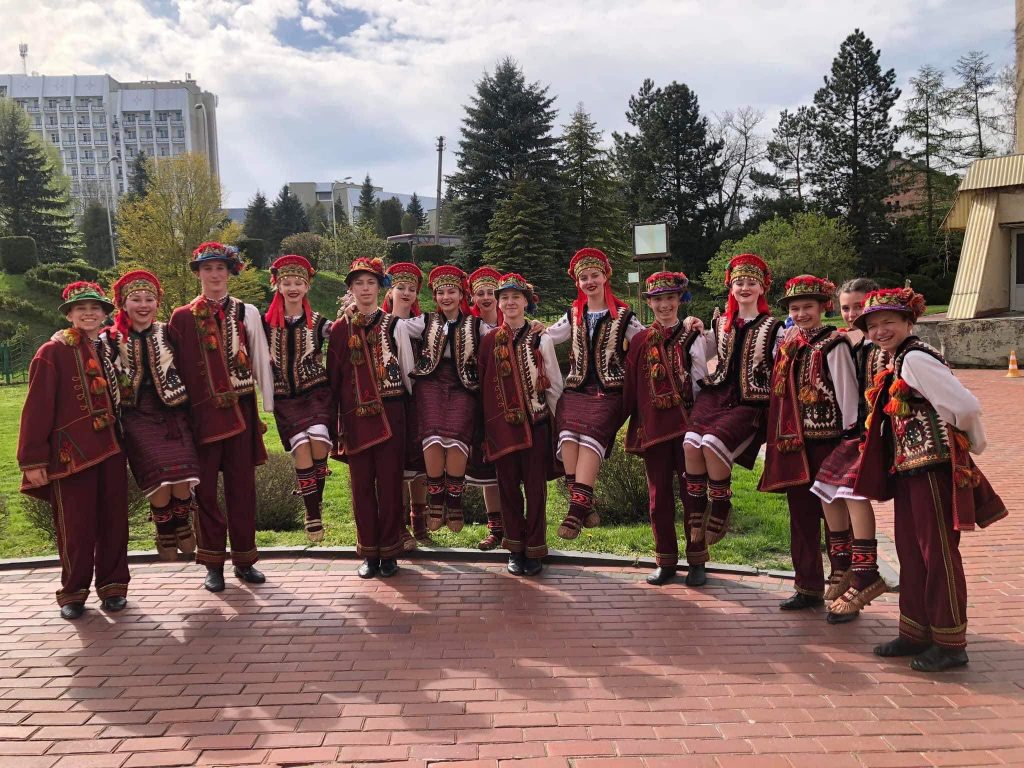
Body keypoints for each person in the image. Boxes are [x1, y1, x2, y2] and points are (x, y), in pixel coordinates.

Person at [853, 287, 1007, 672]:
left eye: (889, 322)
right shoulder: (897, 357)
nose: (880, 331)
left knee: (937, 554)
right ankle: (915, 632)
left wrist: (972, 443)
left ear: (909, 322)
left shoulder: (916, 358)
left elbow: (965, 405)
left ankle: (950, 643)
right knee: (911, 551)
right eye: (872, 326)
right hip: (910, 469)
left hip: (932, 469)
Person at [18, 282, 129, 619]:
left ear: (105, 315)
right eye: (81, 308)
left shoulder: (112, 348)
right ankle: (73, 593)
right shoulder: (52, 351)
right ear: (69, 314)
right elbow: (37, 407)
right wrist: (33, 459)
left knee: (114, 523)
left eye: (96, 308)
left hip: (112, 448)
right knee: (75, 527)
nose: (89, 313)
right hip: (72, 453)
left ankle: (113, 588)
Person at [167, 242, 274, 593]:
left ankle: (245, 560)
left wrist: (267, 404)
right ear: (198, 273)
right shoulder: (182, 317)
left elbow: (260, 357)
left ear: (230, 273)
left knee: (242, 489)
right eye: (207, 268)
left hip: (241, 410)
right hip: (202, 416)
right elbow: (175, 367)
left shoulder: (247, 312)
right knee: (206, 492)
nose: (214, 275)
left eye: (220, 268)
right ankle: (212, 563)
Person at [759, 275, 860, 611]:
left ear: (822, 307)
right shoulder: (790, 344)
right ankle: (808, 586)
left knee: (837, 517)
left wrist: (849, 437)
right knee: (801, 515)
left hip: (829, 442)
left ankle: (844, 586)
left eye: (807, 307)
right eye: (795, 308)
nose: (801, 314)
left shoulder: (834, 344)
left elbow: (847, 393)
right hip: (795, 444)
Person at [683, 254, 782, 557]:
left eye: (751, 283)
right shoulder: (721, 323)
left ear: (762, 288)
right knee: (690, 442)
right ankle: (697, 507)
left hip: (750, 399)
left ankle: (722, 503)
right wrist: (693, 326)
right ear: (731, 287)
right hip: (716, 393)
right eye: (739, 283)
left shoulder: (774, 327)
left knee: (712, 443)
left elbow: (782, 367)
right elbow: (703, 349)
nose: (745, 288)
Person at [544, 248, 644, 540]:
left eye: (594, 276)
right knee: (567, 436)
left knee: (589, 437)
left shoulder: (623, 316)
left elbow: (647, 339)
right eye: (584, 277)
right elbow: (549, 335)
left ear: (605, 277)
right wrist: (531, 328)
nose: (589, 281)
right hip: (576, 389)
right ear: (577, 282)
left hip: (609, 391)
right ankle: (585, 504)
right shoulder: (574, 314)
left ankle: (575, 511)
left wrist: (685, 327)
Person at [102, 270, 199, 561]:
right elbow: (83, 346)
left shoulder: (169, 332)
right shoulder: (110, 338)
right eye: (136, 299)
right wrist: (60, 334)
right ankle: (164, 527)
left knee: (183, 473)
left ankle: (182, 521)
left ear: (158, 303)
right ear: (123, 303)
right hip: (136, 414)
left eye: (149, 299)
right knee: (158, 475)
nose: (143, 305)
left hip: (174, 410)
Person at [328, 257, 416, 578]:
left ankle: (390, 550)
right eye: (358, 283)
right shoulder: (340, 329)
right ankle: (368, 552)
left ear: (380, 288)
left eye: (370, 283)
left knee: (390, 483)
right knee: (361, 485)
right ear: (351, 289)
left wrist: (411, 418)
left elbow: (408, 374)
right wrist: (334, 425)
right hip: (355, 417)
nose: (365, 289)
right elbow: (334, 379)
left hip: (392, 413)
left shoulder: (395, 325)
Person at [623, 271, 710, 586]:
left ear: (680, 300)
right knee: (658, 498)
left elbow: (700, 380)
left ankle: (697, 561)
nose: (664, 305)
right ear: (649, 303)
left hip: (688, 428)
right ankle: (665, 560)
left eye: (670, 298)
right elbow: (631, 387)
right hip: (655, 430)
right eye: (658, 299)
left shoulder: (693, 336)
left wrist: (700, 423)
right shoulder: (639, 341)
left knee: (693, 495)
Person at [810, 277, 888, 623]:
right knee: (825, 488)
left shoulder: (883, 346)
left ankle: (865, 571)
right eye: (846, 307)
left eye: (859, 306)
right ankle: (842, 564)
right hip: (855, 431)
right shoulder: (849, 342)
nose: (853, 313)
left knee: (852, 493)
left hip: (878, 433)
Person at [477, 273, 563, 576]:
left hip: (536, 423)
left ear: (527, 302)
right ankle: (515, 548)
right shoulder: (488, 341)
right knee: (508, 489)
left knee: (536, 490)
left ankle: (535, 548)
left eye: (516, 297)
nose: (510, 302)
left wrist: (559, 426)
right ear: (499, 304)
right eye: (505, 298)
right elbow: (482, 385)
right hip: (502, 428)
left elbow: (554, 384)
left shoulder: (541, 338)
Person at [263, 254, 333, 543]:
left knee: (318, 441)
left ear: (307, 287)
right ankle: (312, 511)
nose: (292, 288)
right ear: (278, 286)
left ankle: (315, 502)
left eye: (298, 283)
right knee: (301, 447)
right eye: (287, 283)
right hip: (284, 397)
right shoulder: (265, 324)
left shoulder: (319, 322)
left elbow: (344, 335)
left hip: (316, 392)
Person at [404, 265, 478, 533]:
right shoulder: (425, 321)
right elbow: (394, 326)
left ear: (461, 295)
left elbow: (501, 332)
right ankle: (436, 498)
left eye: (451, 292)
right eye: (441, 293)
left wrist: (535, 327)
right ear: (435, 297)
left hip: (463, 384)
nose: (446, 297)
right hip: (431, 382)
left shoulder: (475, 324)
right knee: (432, 435)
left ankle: (454, 501)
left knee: (458, 437)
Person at [383, 261, 430, 546]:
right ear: (389, 291)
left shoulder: (422, 325)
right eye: (400, 287)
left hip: (418, 397)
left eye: (411, 289)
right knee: (397, 461)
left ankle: (420, 521)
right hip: (390, 398)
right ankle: (400, 525)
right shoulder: (379, 323)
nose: (406, 293)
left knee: (419, 459)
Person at [467, 266, 505, 550]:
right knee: (487, 468)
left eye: (491, 292)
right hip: (480, 403)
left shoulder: (515, 322)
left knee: (513, 468)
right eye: (480, 293)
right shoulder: (470, 328)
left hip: (511, 402)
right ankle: (496, 529)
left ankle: (517, 526)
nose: (486, 297)